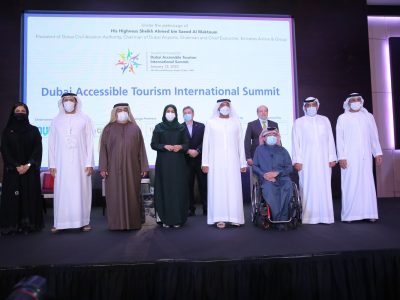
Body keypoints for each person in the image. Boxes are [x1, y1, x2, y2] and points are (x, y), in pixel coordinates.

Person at [48, 92, 94, 233]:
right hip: (61, 164)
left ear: (76, 102)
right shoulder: (56, 121)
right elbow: (51, 143)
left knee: (81, 191)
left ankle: (83, 222)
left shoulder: (85, 119)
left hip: (81, 164)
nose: (68, 102)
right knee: (62, 192)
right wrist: (52, 164)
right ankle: (59, 223)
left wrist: (89, 163)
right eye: (65, 100)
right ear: (62, 103)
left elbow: (89, 142)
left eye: (71, 100)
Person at [99, 103, 149, 230]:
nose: (122, 112)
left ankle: (133, 223)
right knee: (114, 196)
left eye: (125, 110)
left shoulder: (135, 128)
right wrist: (103, 167)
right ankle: (116, 224)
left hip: (132, 168)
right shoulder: (108, 129)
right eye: (119, 110)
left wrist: (144, 167)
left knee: (132, 195)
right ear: (115, 112)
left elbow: (141, 149)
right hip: (113, 169)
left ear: (129, 112)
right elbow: (103, 150)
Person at [336, 93, 383, 223]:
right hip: (349, 158)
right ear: (348, 102)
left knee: (367, 184)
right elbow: (340, 140)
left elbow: (374, 136)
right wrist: (342, 157)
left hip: (365, 157)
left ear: (361, 101)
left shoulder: (368, 117)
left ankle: (369, 213)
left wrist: (377, 153)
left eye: (358, 99)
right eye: (353, 100)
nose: (356, 102)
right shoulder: (343, 118)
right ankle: (350, 215)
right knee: (350, 184)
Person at [201, 99, 246, 229]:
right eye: (222, 105)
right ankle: (219, 218)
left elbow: (240, 145)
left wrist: (242, 163)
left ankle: (234, 218)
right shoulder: (211, 122)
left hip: (233, 161)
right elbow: (206, 144)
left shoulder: (236, 122)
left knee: (233, 189)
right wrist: (205, 162)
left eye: (227, 105)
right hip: (215, 162)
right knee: (218, 189)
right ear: (218, 108)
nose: (225, 107)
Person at [292, 97, 337, 224]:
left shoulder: (325, 120)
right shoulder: (299, 122)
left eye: (313, 105)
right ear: (304, 107)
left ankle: (326, 217)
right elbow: (296, 143)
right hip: (306, 161)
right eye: (308, 105)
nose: (311, 107)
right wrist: (297, 161)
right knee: (307, 187)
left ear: (317, 106)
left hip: (323, 161)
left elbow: (330, 140)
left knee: (324, 186)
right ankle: (308, 217)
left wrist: (332, 157)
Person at [0, 102, 43, 234]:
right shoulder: (7, 132)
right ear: (13, 113)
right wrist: (16, 166)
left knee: (29, 197)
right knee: (13, 199)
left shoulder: (34, 130)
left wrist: (29, 164)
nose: (20, 113)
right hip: (13, 172)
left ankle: (29, 225)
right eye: (18, 110)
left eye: (23, 111)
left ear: (27, 113)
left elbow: (37, 150)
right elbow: (5, 151)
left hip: (29, 171)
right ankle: (12, 226)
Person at [151, 104, 189, 228]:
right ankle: (165, 218)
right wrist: (164, 146)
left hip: (178, 163)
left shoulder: (181, 128)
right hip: (164, 163)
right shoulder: (159, 127)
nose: (170, 113)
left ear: (176, 113)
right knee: (165, 189)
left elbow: (187, 144)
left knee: (178, 189)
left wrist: (181, 147)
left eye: (173, 111)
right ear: (164, 113)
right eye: (168, 111)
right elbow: (153, 144)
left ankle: (178, 219)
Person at [252, 127, 293, 230]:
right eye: (269, 135)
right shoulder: (259, 150)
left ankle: (282, 218)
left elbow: (289, 167)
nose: (272, 137)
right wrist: (264, 175)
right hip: (266, 179)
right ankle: (277, 219)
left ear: (277, 137)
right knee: (269, 189)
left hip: (282, 178)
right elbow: (255, 166)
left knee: (288, 186)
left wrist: (277, 173)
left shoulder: (283, 150)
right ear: (264, 138)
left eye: (274, 135)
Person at [181, 106, 207, 216]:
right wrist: (187, 151)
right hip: (186, 160)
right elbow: (179, 142)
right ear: (183, 115)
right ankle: (190, 209)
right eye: (185, 113)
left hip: (200, 159)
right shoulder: (179, 127)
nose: (187, 114)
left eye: (189, 112)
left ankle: (207, 208)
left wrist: (198, 150)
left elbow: (206, 141)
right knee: (188, 185)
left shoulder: (201, 126)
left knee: (204, 185)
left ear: (193, 114)